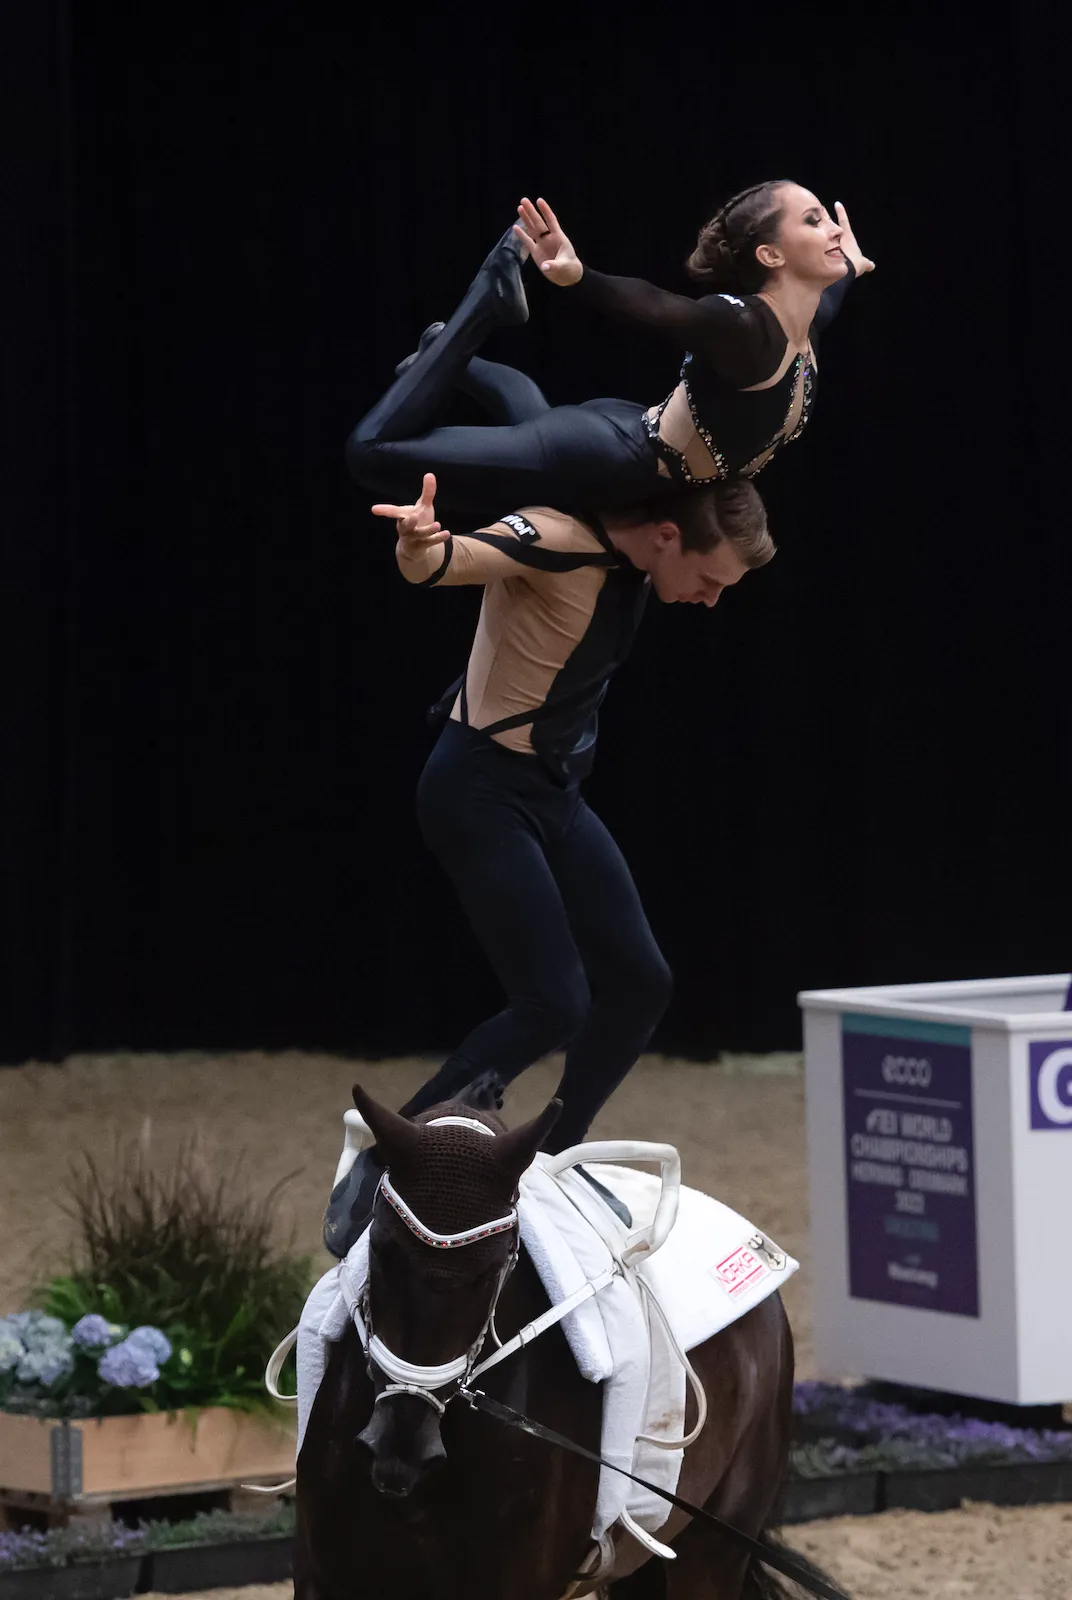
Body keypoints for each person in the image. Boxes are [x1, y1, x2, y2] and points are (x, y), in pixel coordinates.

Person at [323, 468, 774, 1255]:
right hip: (477, 788)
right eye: (708, 579)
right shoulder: (557, 538)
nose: (710, 599)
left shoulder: (637, 551)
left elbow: (541, 414)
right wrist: (420, 540)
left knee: (641, 980)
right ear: (669, 538)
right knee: (554, 1001)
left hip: (552, 794)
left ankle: (556, 1154)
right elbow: (442, 564)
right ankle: (389, 1157)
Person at [345, 181, 874, 513]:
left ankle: (445, 352)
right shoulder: (742, 328)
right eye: (813, 220)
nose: (832, 228)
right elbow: (661, 307)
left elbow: (840, 281)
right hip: (601, 454)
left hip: (623, 449)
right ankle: (483, 304)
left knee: (537, 424)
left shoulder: (810, 315)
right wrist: (579, 278)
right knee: (370, 454)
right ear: (771, 255)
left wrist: (852, 264)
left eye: (825, 216)